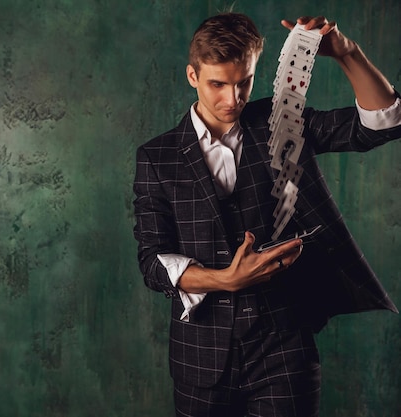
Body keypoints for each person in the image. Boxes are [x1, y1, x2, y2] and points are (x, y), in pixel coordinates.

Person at [133, 13, 401, 417]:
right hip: (201, 358)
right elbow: (152, 261)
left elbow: (381, 124)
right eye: (217, 84)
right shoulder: (157, 157)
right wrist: (225, 280)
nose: (233, 98)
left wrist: (347, 53)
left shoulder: (282, 122)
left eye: (244, 82)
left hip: (285, 349)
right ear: (192, 76)